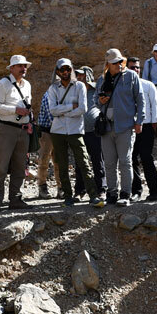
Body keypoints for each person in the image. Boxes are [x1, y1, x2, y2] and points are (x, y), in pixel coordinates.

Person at [45, 58, 105, 208]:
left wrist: (63, 111)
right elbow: (52, 110)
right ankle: (68, 196)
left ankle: (93, 195)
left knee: (84, 162)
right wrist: (71, 107)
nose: (65, 72)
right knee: (62, 164)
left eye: (68, 69)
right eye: (62, 70)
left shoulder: (79, 86)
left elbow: (83, 109)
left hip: (75, 130)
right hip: (58, 131)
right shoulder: (53, 88)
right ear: (57, 72)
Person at [95, 48, 145, 207]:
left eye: (120, 62)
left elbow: (140, 99)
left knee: (125, 162)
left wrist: (140, 121)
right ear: (108, 64)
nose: (119, 65)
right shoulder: (101, 79)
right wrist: (100, 101)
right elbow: (95, 101)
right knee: (109, 163)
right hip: (107, 127)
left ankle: (126, 194)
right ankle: (112, 193)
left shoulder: (131, 76)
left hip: (125, 126)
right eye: (115, 62)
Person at [0, 55, 34, 211]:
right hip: (7, 129)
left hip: (23, 130)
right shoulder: (2, 84)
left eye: (25, 66)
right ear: (11, 68)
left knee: (20, 167)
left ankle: (15, 199)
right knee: (1, 166)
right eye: (20, 66)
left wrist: (28, 118)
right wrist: (15, 110)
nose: (23, 69)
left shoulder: (27, 85)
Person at [126, 57, 157, 202]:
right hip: (129, 127)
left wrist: (153, 125)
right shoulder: (123, 86)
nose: (136, 70)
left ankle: (154, 191)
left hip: (146, 126)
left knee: (146, 157)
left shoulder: (148, 85)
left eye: (137, 67)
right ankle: (136, 191)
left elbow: (155, 106)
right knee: (131, 159)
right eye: (132, 67)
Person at [73, 66, 105, 200]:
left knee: (98, 161)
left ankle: (101, 190)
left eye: (82, 75)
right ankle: (80, 191)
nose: (80, 78)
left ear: (89, 76)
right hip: (79, 131)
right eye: (78, 75)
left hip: (94, 131)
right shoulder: (75, 92)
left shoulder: (97, 91)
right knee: (80, 162)